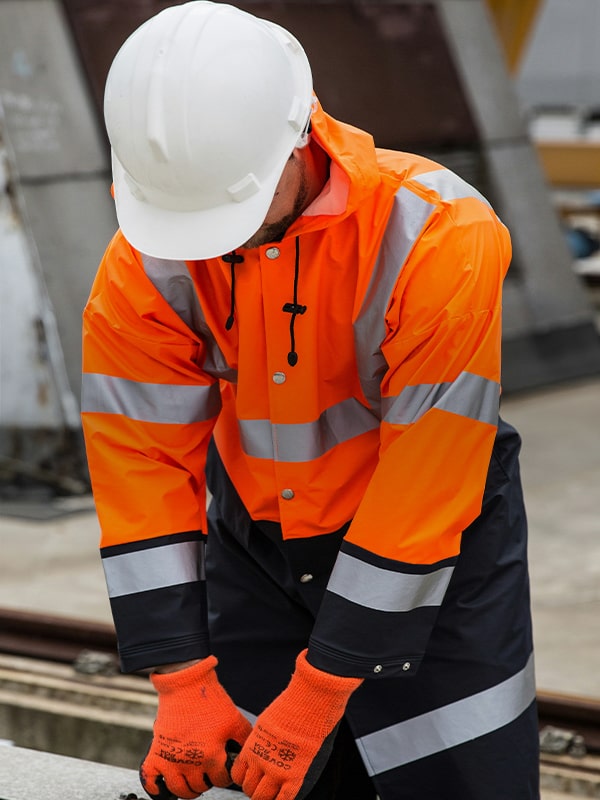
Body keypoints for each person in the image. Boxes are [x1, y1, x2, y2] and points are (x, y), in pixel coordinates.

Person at [81, 2, 540, 798]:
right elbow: (140, 462)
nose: (215, 242)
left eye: (233, 210)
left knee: (463, 779)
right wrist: (180, 679)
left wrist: (322, 690)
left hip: (436, 551)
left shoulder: (440, 233)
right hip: (257, 548)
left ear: (299, 138)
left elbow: (425, 480)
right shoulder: (147, 256)